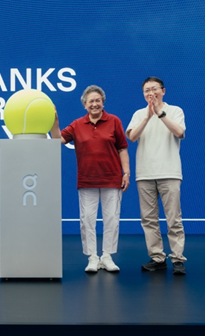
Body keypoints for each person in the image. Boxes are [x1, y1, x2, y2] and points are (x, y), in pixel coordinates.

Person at [51, 85, 130, 273]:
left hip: (112, 179)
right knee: (87, 220)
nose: (95, 104)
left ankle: (107, 256)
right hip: (87, 180)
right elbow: (57, 139)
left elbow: (122, 148)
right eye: (91, 101)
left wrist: (126, 172)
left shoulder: (114, 121)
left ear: (103, 102)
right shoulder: (77, 124)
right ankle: (93, 257)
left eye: (98, 100)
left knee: (112, 219)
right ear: (85, 105)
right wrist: (55, 121)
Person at [126, 77, 187, 276]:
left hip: (169, 172)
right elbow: (132, 137)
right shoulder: (138, 114)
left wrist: (160, 113)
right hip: (144, 174)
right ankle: (157, 258)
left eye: (154, 89)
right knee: (149, 219)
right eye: (146, 90)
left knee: (174, 219)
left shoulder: (175, 111)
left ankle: (177, 258)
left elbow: (179, 132)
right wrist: (147, 116)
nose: (150, 93)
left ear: (163, 91)